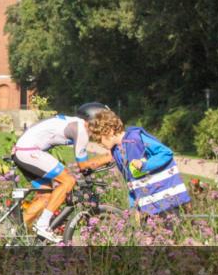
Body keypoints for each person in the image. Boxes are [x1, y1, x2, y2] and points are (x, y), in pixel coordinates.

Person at [10, 102, 113, 242]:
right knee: (68, 181)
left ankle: (15, 235)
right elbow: (82, 165)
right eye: (101, 122)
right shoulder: (81, 130)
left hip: (22, 151)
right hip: (30, 152)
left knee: (45, 197)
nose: (102, 126)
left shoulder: (76, 123)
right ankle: (43, 225)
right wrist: (108, 158)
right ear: (92, 120)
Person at [86, 109, 190, 214]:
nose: (99, 143)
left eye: (99, 139)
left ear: (109, 131)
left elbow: (166, 153)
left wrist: (145, 165)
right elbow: (130, 181)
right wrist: (134, 206)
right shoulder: (117, 152)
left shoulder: (136, 138)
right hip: (148, 206)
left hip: (167, 200)